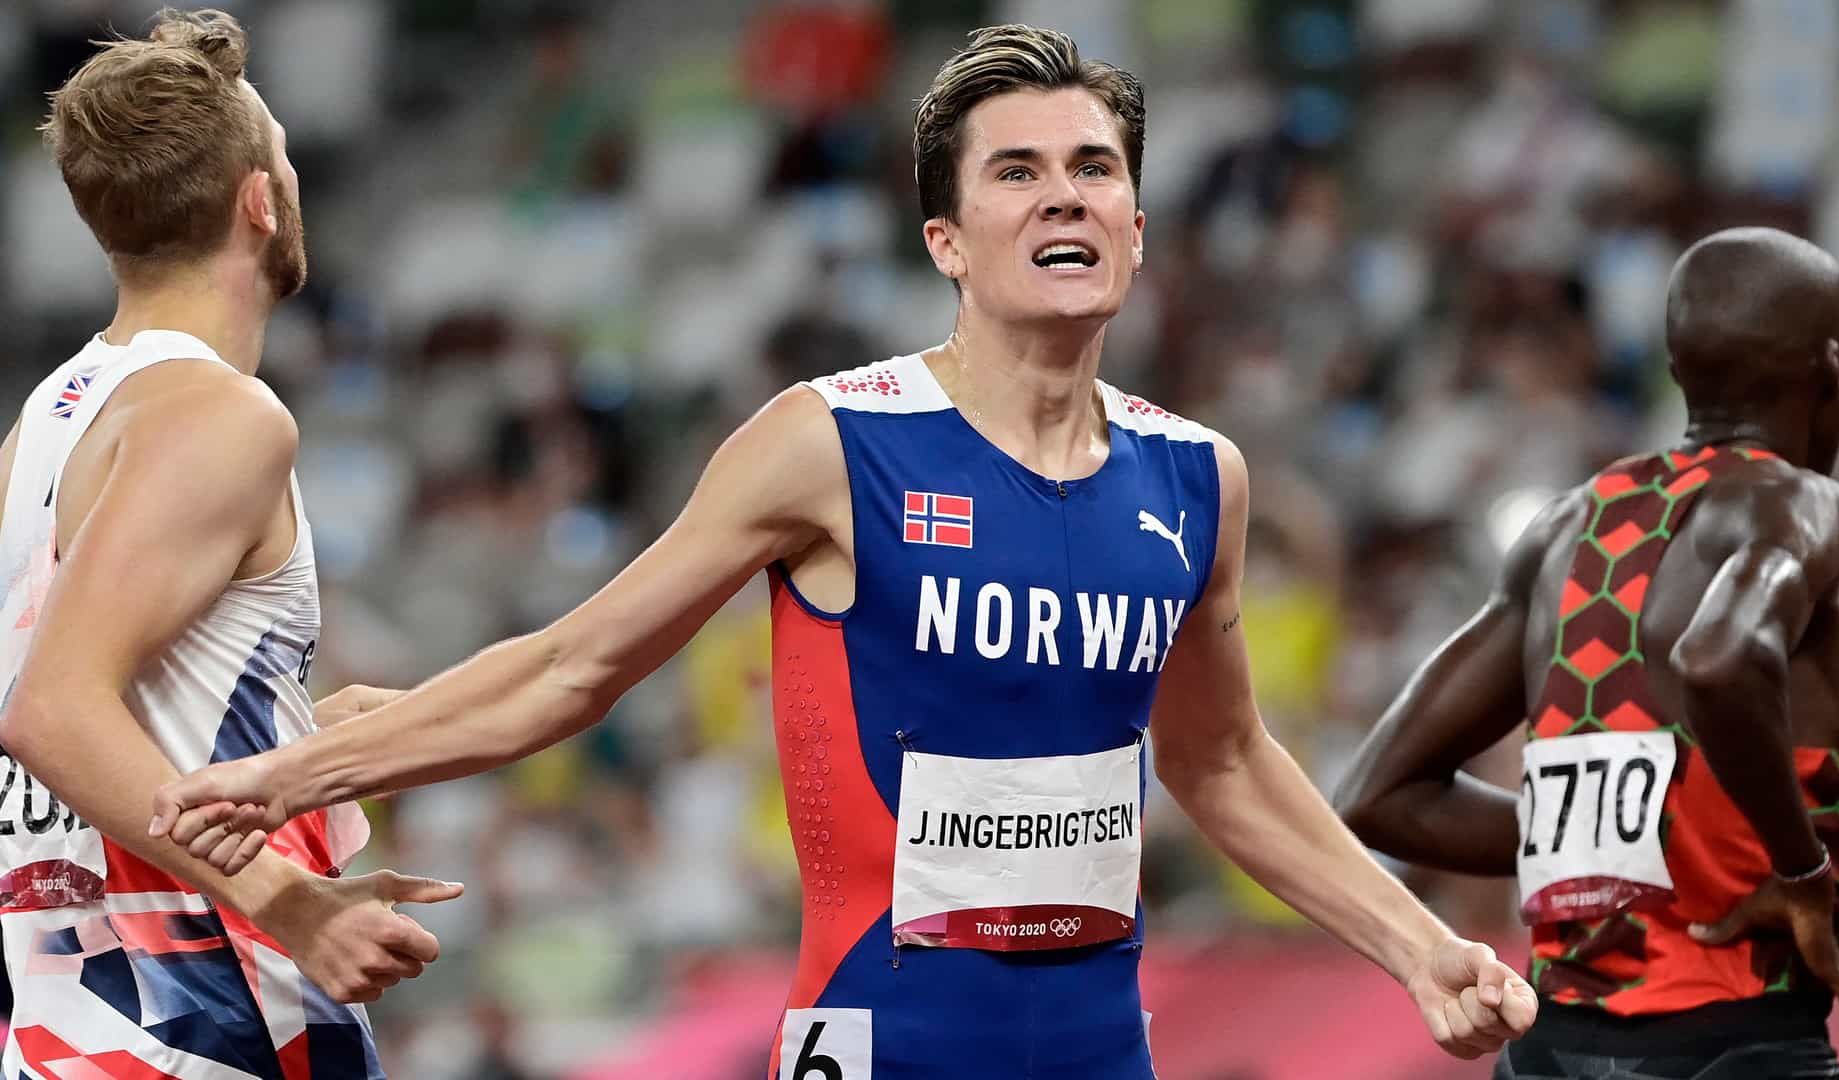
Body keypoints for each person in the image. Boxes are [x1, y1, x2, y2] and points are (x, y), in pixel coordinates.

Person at [151, 24, 1536, 1078]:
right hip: (880, 1042)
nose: (1064, 198)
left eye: (1093, 170)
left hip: (1098, 1051)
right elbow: (575, 665)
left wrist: (1422, 947)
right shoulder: (830, 443)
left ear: (1135, 223)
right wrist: (299, 774)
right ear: (947, 239)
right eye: (1017, 173)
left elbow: (1221, 760)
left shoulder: (1196, 477)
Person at [0, 9, 459, 1077]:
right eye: (285, 159)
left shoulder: (41, 427)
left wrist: (300, 739)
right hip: (206, 1018)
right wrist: (293, 902)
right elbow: (51, 712)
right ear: (262, 199)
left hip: (77, 1022)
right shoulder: (224, 416)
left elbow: (73, 716)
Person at [1333, 226, 1839, 1079]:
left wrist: (1617, 843)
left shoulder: (1569, 526)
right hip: (1737, 1033)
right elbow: (1720, 660)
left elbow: (1377, 794)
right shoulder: (1803, 503)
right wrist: (1799, 867)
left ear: (1678, 369)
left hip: (1552, 1048)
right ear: (1836, 371)